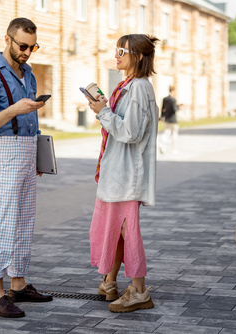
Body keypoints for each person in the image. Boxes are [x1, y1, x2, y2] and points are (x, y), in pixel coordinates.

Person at [0, 17, 53, 318]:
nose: (28, 53)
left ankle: (18, 283)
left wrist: (39, 156)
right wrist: (16, 108)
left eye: (33, 47)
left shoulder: (28, 72)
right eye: (23, 46)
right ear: (7, 39)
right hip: (5, 150)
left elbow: (31, 118)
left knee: (24, 220)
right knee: (4, 222)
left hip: (28, 149)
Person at [85, 34, 159, 313]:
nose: (116, 55)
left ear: (138, 56)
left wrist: (104, 112)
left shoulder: (139, 87)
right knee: (112, 231)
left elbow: (131, 132)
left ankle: (139, 290)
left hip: (127, 175)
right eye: (116, 50)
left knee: (128, 231)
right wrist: (104, 108)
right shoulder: (127, 85)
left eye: (122, 51)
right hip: (116, 172)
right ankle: (110, 281)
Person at [159, 85, 180, 154]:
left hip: (166, 119)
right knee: (174, 134)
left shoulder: (165, 99)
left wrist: (161, 117)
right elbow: (174, 109)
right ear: (173, 91)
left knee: (165, 133)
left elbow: (162, 109)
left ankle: (162, 145)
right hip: (173, 120)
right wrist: (178, 107)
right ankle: (173, 149)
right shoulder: (173, 100)